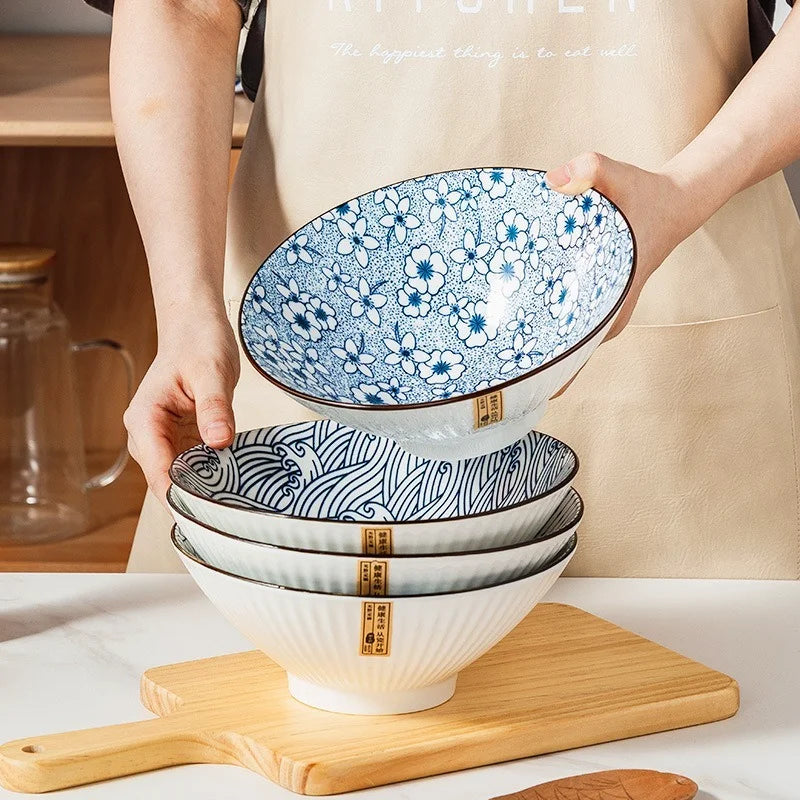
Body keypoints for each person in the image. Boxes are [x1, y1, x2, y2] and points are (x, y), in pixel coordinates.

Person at [90, 0, 800, 577]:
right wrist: (186, 309)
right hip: (311, 357)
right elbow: (179, 7)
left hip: (681, 362)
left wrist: (682, 191)